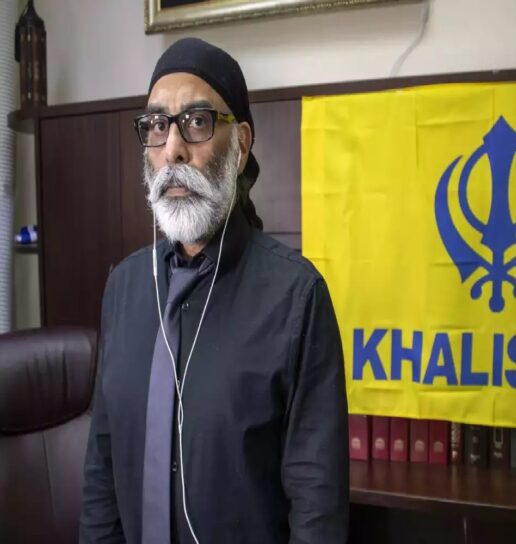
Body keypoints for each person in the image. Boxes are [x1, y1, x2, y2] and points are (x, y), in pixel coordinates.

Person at [79, 37, 349, 544]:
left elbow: (318, 509)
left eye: (197, 122)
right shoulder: (125, 287)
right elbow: (102, 473)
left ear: (241, 145)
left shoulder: (296, 297)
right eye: (157, 125)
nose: (173, 149)